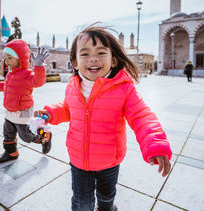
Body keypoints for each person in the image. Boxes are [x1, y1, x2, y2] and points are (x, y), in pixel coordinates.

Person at [34, 26, 172, 211]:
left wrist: (155, 143)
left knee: (106, 197)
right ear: (74, 62)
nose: (93, 58)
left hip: (109, 160)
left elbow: (142, 116)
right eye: (84, 54)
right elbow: (68, 109)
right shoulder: (73, 87)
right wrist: (50, 113)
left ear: (113, 60)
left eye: (101, 52)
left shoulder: (124, 89)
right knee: (82, 202)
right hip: (79, 160)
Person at [0, 39, 51, 163]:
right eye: (5, 57)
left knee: (25, 136)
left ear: (20, 58)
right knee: (8, 133)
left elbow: (38, 81)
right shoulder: (10, 74)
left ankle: (44, 137)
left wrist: (39, 66)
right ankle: (11, 152)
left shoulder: (27, 74)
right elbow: (6, 86)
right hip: (10, 109)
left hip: (22, 110)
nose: (6, 61)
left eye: (10, 58)